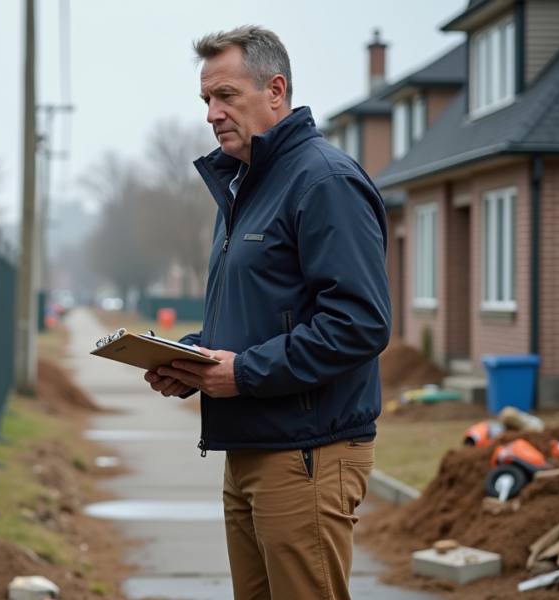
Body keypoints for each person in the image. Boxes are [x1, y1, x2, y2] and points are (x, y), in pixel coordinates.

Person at [143, 26, 392, 600]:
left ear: (274, 91)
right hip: (251, 447)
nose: (212, 113)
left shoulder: (323, 181)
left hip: (307, 454)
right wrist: (190, 361)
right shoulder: (245, 187)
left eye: (226, 95)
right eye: (206, 100)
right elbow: (258, 318)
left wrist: (244, 374)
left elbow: (360, 323)